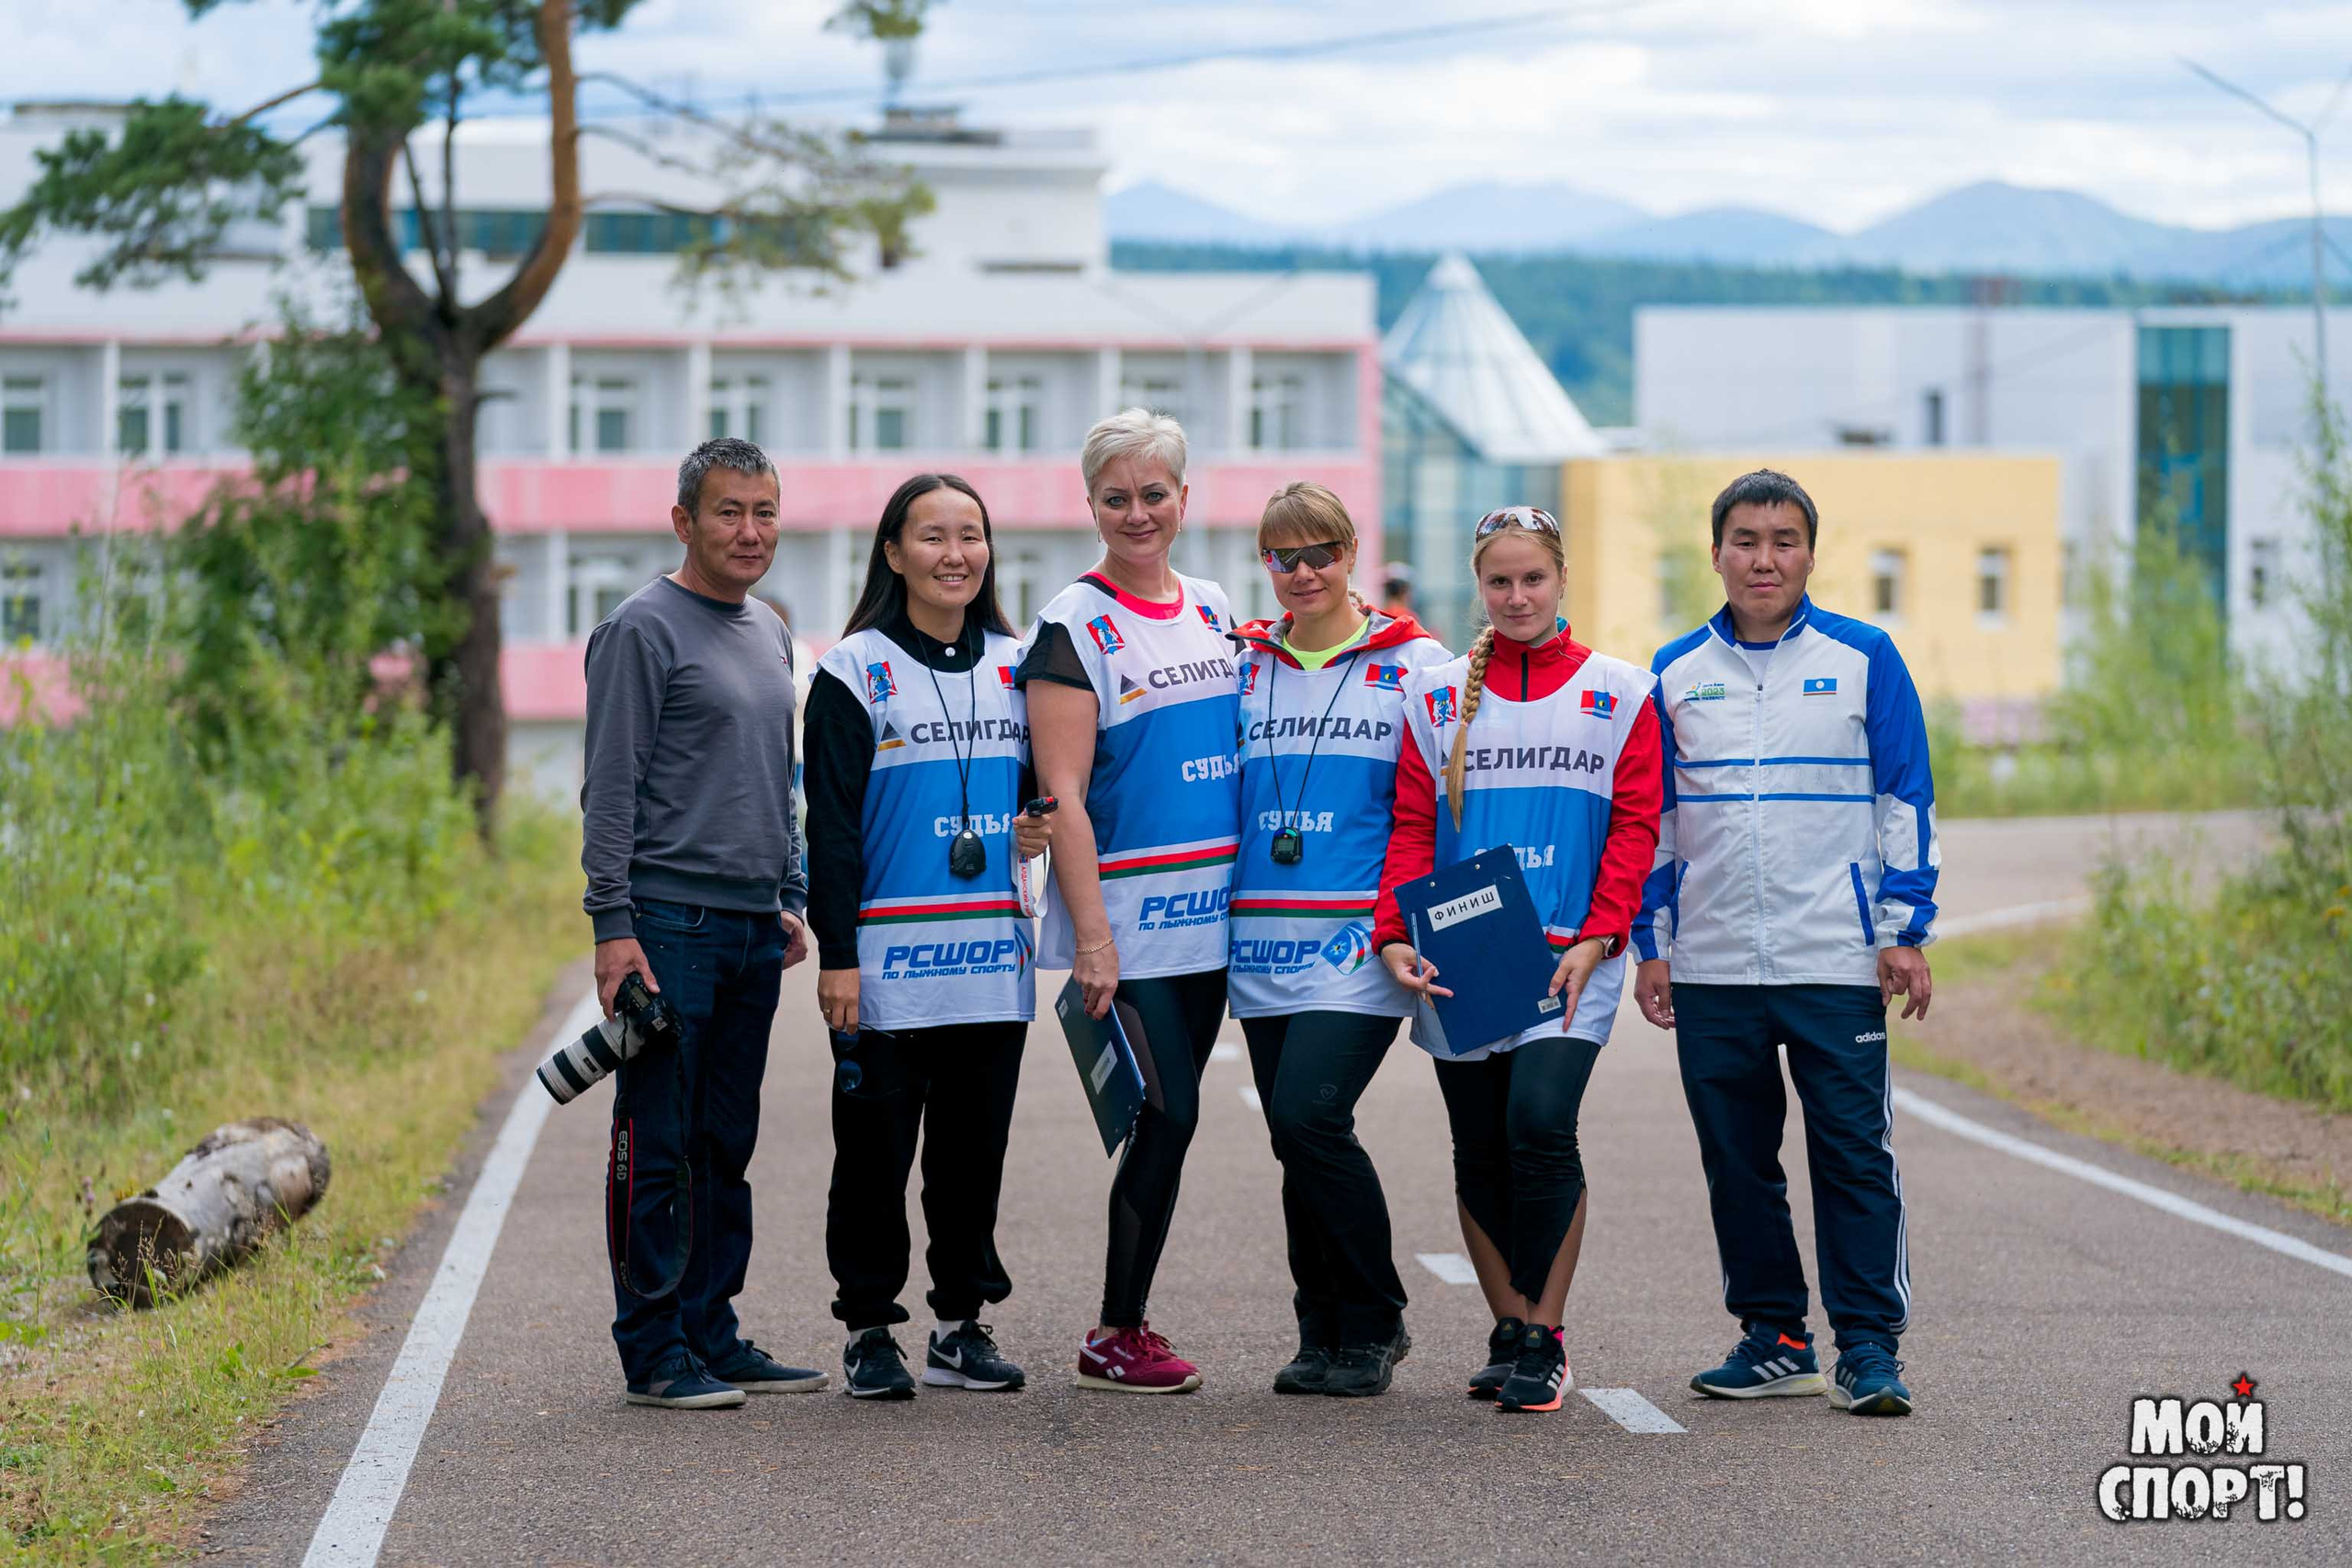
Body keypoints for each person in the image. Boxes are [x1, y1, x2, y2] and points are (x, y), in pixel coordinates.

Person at [1632, 468, 1938, 1418]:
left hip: (1833, 958)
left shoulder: (1864, 656)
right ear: (1715, 551)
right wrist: (1655, 943)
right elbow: (1658, 823)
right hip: (1715, 964)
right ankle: (1774, 1338)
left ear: (1810, 551)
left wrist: (1904, 929)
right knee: (1737, 1158)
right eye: (1745, 541)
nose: (1764, 559)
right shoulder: (1674, 672)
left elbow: (1905, 800)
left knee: (1852, 1153)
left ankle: (1868, 1350)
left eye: (1784, 541)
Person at [1373, 506, 1662, 1415]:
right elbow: (1412, 829)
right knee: (1478, 1147)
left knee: (1539, 1124)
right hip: (1463, 955)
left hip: (1571, 955)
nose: (1516, 596)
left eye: (1531, 579)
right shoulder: (1433, 698)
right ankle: (1506, 1326)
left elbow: (1636, 827)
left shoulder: (1623, 691)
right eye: (1499, 582)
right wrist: (1391, 934)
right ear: (1478, 588)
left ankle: (1544, 1332)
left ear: (1560, 579)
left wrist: (1599, 933)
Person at [581, 437, 828, 1410]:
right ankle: (651, 1351)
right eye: (729, 511)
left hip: (750, 931)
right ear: (684, 521)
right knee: (660, 1139)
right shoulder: (642, 628)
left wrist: (791, 892)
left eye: (764, 511)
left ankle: (712, 1332)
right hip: (670, 926)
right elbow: (608, 788)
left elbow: (780, 776)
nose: (750, 531)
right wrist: (612, 923)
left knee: (727, 1142)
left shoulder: (769, 628)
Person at [803, 473, 1055, 1400]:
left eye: (972, 536)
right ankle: (870, 1329)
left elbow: (1038, 787)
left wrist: (1030, 820)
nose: (956, 554)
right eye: (934, 536)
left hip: (991, 962)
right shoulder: (852, 670)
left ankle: (960, 1325)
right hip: (884, 966)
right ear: (894, 552)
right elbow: (826, 828)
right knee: (871, 1160)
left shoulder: (1017, 662)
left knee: (969, 1161)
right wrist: (837, 956)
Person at [1015, 408, 1240, 1394]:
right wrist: (1094, 943)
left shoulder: (1217, 606)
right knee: (1169, 1113)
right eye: (1118, 497)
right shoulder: (1072, 624)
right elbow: (1060, 797)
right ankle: (1117, 1330)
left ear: (1184, 501)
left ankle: (1125, 1324)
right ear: (1091, 505)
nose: (1137, 513)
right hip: (1135, 931)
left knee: (1170, 1121)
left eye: (1155, 494)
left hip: (1218, 924)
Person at [1229, 484, 1449, 1399]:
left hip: (1360, 942)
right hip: (1258, 942)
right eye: (1283, 557)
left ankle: (1374, 1317)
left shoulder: (1420, 665)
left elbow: (1450, 805)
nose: (1303, 572)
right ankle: (1321, 1328)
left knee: (1308, 1117)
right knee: (1295, 1138)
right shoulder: (1242, 664)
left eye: (1320, 552)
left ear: (1353, 549)